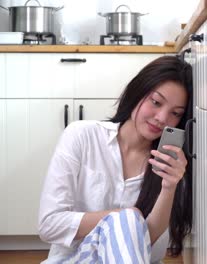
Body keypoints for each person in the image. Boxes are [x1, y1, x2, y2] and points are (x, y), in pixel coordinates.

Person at [38, 55, 193, 263]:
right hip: (73, 259)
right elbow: (50, 225)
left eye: (175, 113)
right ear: (137, 93)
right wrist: (122, 218)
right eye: (156, 102)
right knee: (128, 218)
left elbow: (152, 252)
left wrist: (169, 187)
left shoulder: (169, 166)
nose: (162, 118)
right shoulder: (82, 136)